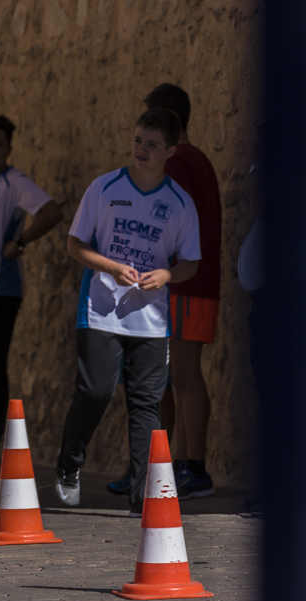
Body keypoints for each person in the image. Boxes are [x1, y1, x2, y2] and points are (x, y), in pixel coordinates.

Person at [54, 109, 201, 516]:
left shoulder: (179, 203)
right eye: (138, 140)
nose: (141, 150)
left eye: (152, 144)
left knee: (147, 404)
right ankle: (69, 464)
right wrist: (110, 266)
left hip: (151, 320)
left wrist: (168, 273)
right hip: (100, 310)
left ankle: (143, 497)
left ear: (170, 151)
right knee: (96, 391)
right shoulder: (105, 188)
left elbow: (191, 262)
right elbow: (74, 245)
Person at [0, 116, 63, 476]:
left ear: (9, 148)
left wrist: (20, 242)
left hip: (2, 290)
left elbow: (52, 212)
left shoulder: (15, 183)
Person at [141, 83, 222, 500]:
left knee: (185, 375)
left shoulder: (180, 162)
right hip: (196, 283)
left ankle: (195, 467)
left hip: (186, 284)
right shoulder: (200, 160)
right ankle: (177, 465)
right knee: (181, 376)